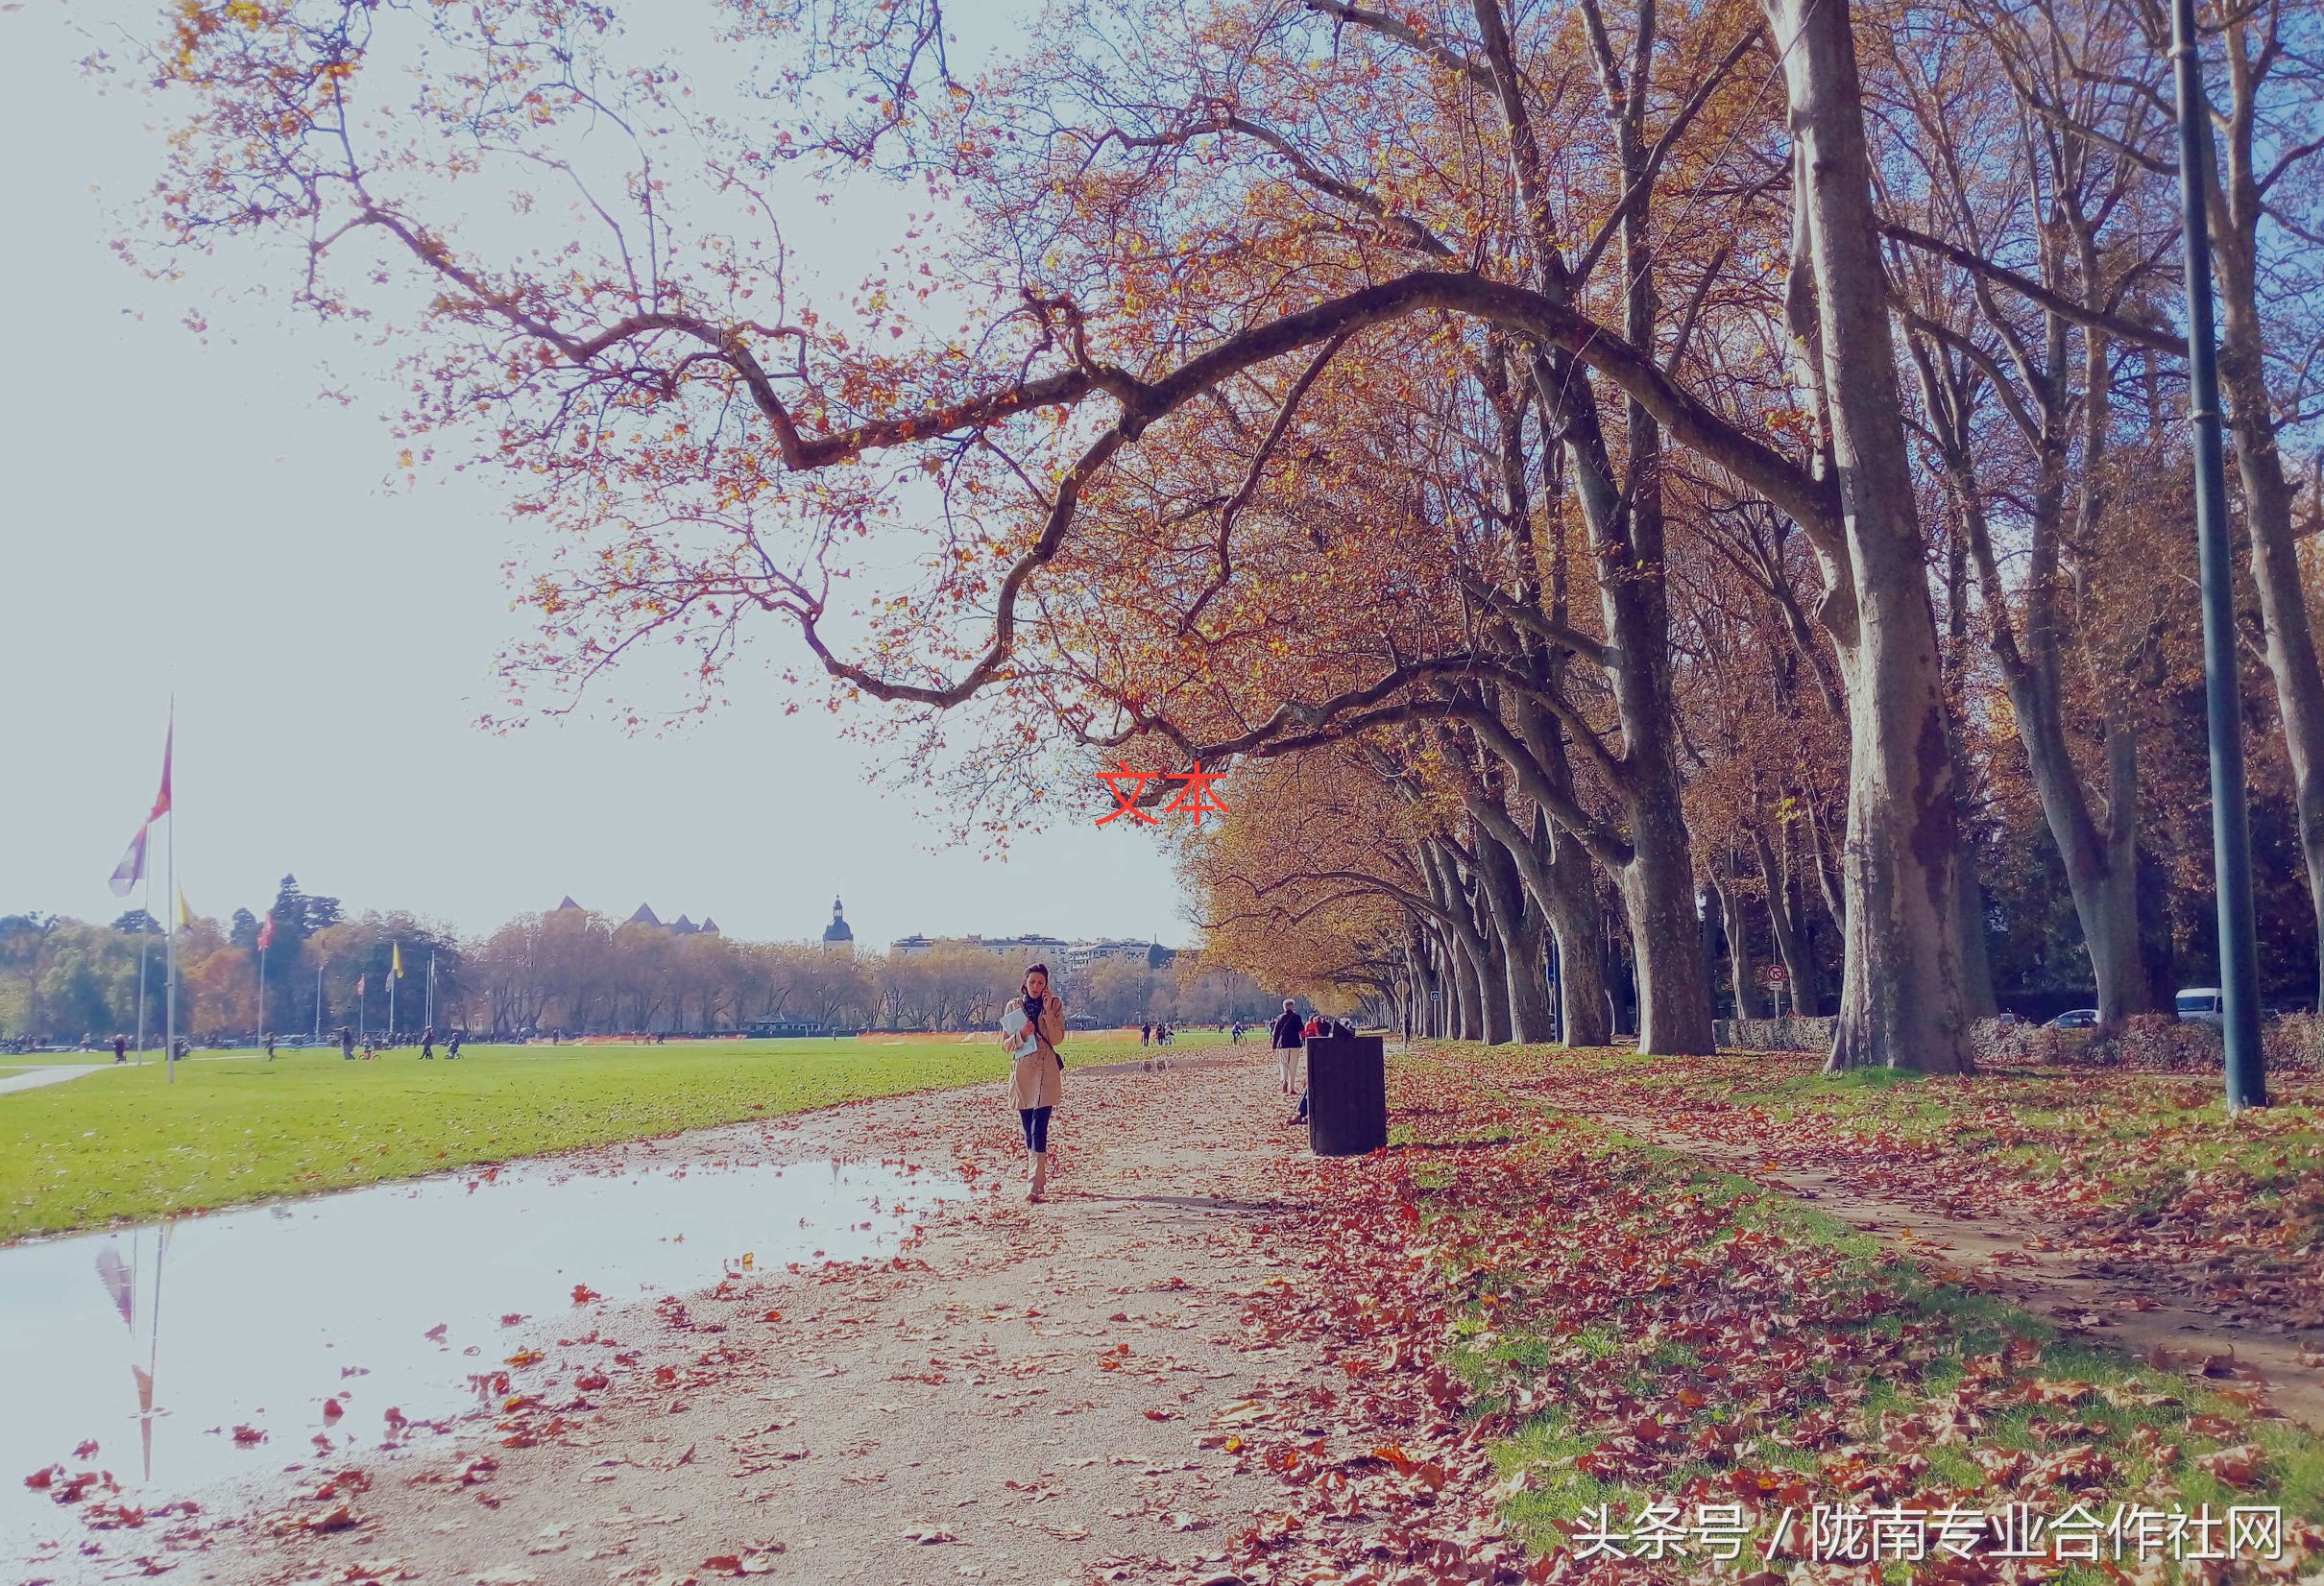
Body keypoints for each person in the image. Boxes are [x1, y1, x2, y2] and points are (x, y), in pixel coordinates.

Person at [998, 963, 1067, 1203]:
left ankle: (1035, 1183)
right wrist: (1022, 1034)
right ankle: (1035, 1173)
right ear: (1025, 983)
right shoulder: (1013, 1007)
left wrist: (1047, 1012)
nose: (1036, 987)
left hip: (1046, 1071)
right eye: (1032, 982)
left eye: (1041, 982)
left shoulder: (1055, 1004)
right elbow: (1005, 1046)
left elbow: (1058, 1038)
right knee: (1028, 1130)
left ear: (1046, 984)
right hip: (1024, 1073)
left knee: (1040, 1126)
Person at [1270, 999, 1304, 1096]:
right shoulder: (1297, 1017)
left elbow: (1276, 1033)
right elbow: (1301, 1030)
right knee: (1293, 1066)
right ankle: (1292, 1088)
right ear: (1292, 1006)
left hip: (1283, 1043)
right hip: (1295, 1044)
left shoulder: (1280, 1018)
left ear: (1284, 1007)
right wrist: (1304, 1041)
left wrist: (1274, 1045)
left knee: (1283, 1064)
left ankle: (1284, 1080)